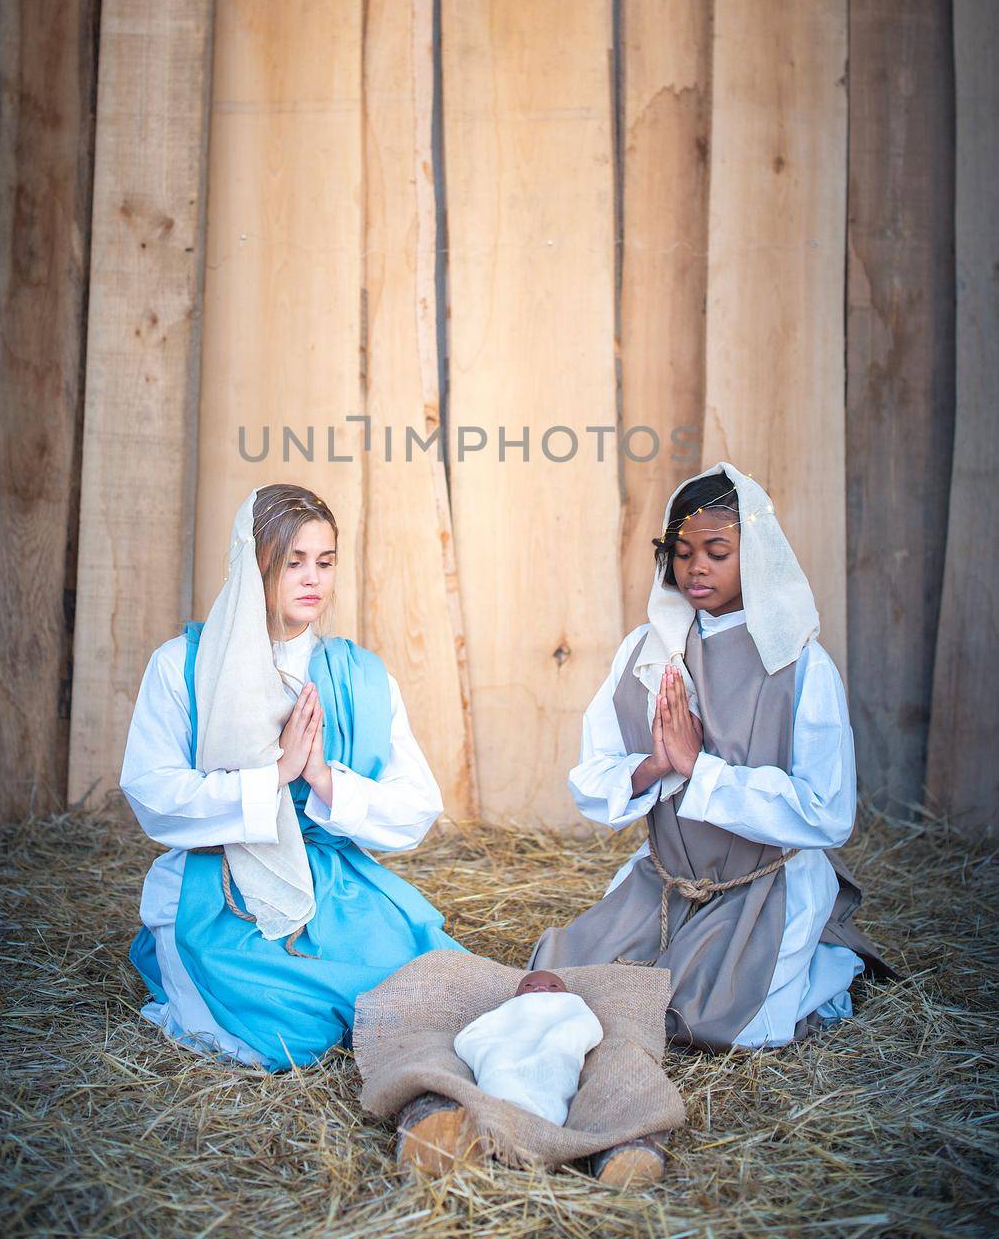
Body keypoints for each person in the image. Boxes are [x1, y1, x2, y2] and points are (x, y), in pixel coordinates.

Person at [529, 461, 892, 1050]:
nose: (695, 567)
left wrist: (702, 770)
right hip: (669, 881)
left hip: (761, 886)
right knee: (561, 981)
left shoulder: (799, 664)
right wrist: (658, 765)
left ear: (756, 555)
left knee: (703, 1020)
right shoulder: (646, 655)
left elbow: (828, 813)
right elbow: (591, 779)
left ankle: (828, 967)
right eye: (681, 550)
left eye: (717, 552)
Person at [121, 483, 462, 1071]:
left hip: (339, 886)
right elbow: (153, 796)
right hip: (220, 884)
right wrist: (274, 776)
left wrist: (323, 778)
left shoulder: (361, 675)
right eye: (292, 562)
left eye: (325, 562)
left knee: (429, 996)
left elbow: (416, 808)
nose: (313, 579)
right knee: (285, 1028)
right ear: (253, 567)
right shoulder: (183, 665)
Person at [452, 970, 603, 1126]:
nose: (542, 988)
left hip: (554, 1049)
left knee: (554, 1063)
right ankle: (501, 1101)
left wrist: (563, 1037)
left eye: (554, 986)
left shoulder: (571, 1006)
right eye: (530, 985)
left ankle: (545, 1113)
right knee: (497, 1061)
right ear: (516, 996)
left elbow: (586, 1026)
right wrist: (487, 1047)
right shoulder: (511, 1008)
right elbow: (483, 1031)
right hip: (509, 1048)